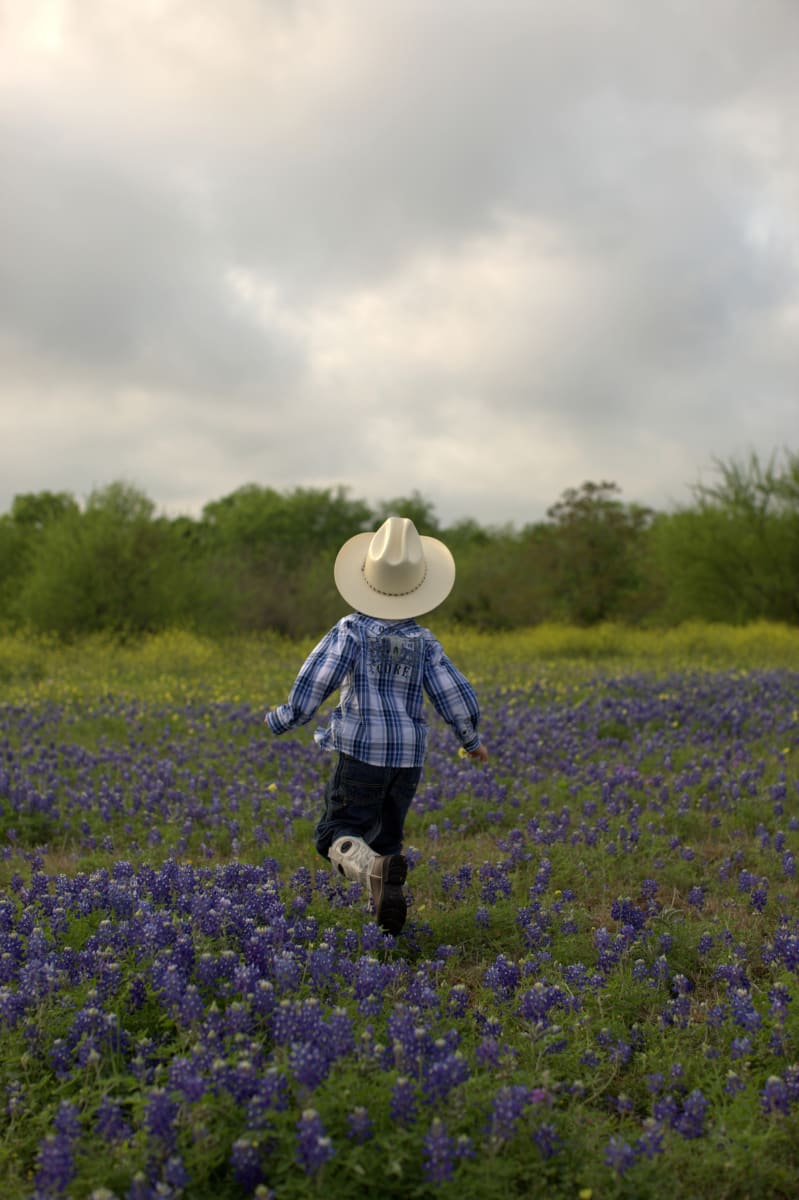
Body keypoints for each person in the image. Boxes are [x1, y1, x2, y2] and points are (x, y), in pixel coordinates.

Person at [265, 515, 488, 935]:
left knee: (337, 831)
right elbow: (455, 695)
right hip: (406, 761)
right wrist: (470, 739)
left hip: (362, 752)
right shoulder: (425, 642)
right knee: (386, 841)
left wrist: (287, 716)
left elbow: (318, 679)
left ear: (366, 580)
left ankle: (372, 871)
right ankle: (387, 923)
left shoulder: (350, 631)